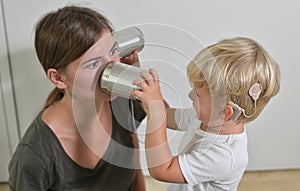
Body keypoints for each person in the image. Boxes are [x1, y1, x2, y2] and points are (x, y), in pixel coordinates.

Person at [9, 5, 147, 191]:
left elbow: (135, 169)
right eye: (93, 63)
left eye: (113, 51)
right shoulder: (34, 155)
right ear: (58, 78)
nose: (111, 68)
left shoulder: (121, 102)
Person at [132, 37, 280, 191]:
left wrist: (155, 112)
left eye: (198, 94)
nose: (190, 95)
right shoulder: (206, 118)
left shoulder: (223, 156)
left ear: (225, 113)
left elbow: (162, 170)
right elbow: (167, 115)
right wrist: (141, 81)